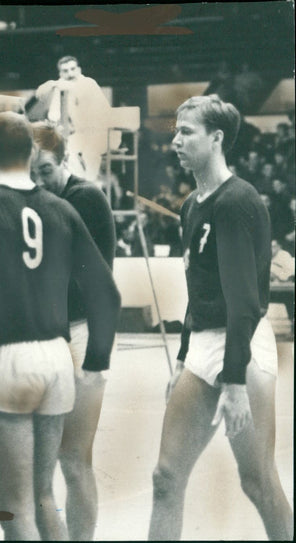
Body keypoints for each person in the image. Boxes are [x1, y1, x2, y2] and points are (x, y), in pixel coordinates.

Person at [0, 112, 121, 540]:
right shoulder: (62, 209)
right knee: (44, 497)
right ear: (31, 153)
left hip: (4, 358)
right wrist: (95, 363)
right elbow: (107, 294)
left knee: (15, 509)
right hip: (55, 355)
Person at [149, 95, 293, 541]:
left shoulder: (237, 200)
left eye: (186, 132)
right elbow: (199, 292)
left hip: (243, 345)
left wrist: (234, 383)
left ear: (216, 139)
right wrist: (182, 360)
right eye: (175, 131)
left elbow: (244, 302)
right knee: (165, 478)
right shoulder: (193, 205)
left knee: (257, 480)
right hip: (204, 343)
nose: (175, 140)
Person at [31, 126, 116, 540]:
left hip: (80, 338)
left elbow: (103, 284)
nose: (40, 180)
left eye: (46, 170)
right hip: (39, 340)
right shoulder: (24, 200)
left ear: (64, 160)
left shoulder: (87, 199)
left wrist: (97, 358)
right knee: (38, 464)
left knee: (74, 458)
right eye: (32, 172)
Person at [35, 56, 112, 179]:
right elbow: (41, 96)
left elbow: (82, 92)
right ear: (60, 73)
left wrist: (60, 84)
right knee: (67, 151)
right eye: (65, 71)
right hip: (77, 136)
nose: (70, 74)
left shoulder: (88, 83)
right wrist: (54, 85)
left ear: (79, 70)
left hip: (97, 133)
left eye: (73, 69)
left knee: (89, 155)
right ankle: (82, 182)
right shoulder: (61, 86)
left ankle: (89, 183)